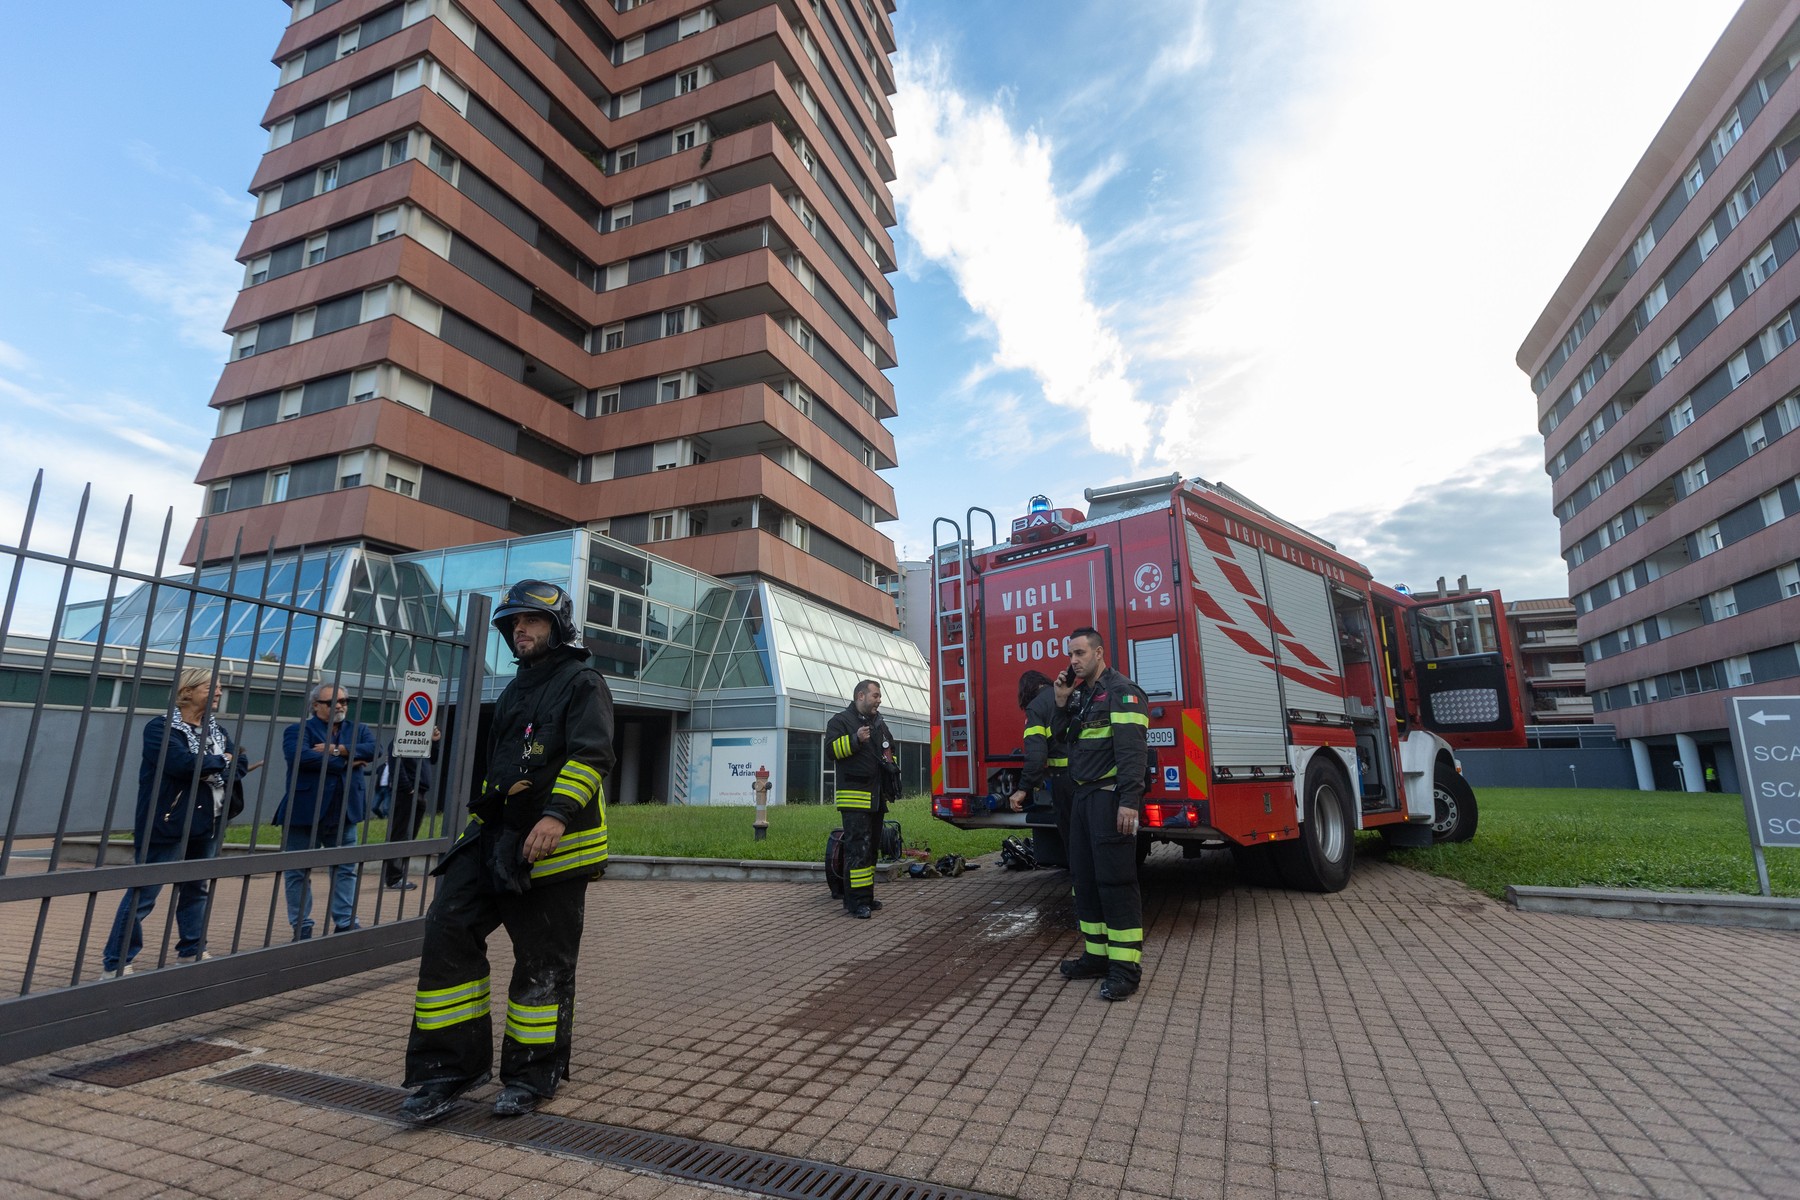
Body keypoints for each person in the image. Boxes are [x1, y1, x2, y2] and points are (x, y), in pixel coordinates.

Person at [401, 579, 614, 1124]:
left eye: (531, 621)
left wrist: (554, 816)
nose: (519, 629)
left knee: (542, 962)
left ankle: (529, 1076)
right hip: (495, 837)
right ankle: (448, 1069)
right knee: (448, 925)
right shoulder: (516, 687)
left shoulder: (582, 681)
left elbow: (591, 756)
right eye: (512, 624)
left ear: (559, 627)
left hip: (553, 846)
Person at [102, 667, 250, 975]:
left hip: (209, 820)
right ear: (188, 692)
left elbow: (242, 761)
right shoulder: (161, 728)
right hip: (169, 820)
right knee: (146, 891)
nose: (220, 693)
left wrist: (219, 763)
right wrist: (223, 761)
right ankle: (116, 962)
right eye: (213, 687)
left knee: (196, 886)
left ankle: (192, 950)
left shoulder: (216, 730)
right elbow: (181, 764)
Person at [1051, 627, 1150, 1001]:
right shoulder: (1082, 696)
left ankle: (1125, 969)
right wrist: (1061, 702)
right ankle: (1096, 956)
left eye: (1079, 653)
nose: (1073, 661)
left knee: (1116, 883)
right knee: (1086, 880)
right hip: (1083, 800)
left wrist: (1129, 801)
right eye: (1070, 654)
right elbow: (1063, 740)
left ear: (1099, 652)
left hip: (1110, 801)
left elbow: (1132, 753)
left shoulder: (1123, 693)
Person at [277, 683, 378, 940]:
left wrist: (336, 750)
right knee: (297, 870)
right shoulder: (298, 730)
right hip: (304, 811)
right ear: (316, 706)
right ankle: (302, 925)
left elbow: (373, 750)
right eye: (333, 702)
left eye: (344, 700)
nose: (340, 705)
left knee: (345, 868)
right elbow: (299, 756)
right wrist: (347, 762)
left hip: (345, 810)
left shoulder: (359, 729)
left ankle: (345, 921)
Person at [826, 679, 897, 919]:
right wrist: (855, 740)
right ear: (860, 696)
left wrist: (892, 771)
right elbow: (831, 751)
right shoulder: (840, 721)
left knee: (870, 850)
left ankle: (866, 896)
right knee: (857, 851)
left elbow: (889, 752)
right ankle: (855, 903)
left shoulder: (879, 724)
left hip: (876, 799)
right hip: (855, 798)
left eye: (879, 696)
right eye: (875, 696)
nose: (879, 700)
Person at [1008, 669, 1073, 857]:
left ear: (1027, 690)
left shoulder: (1036, 707)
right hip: (1090, 776)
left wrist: (1023, 788)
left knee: (1073, 839)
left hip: (1065, 781)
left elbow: (1036, 754)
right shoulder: (1069, 695)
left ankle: (1081, 885)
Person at [382, 726, 440, 891]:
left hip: (419, 791)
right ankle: (394, 878)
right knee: (400, 834)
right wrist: (408, 788)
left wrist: (435, 743)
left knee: (409, 835)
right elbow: (396, 765)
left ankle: (399, 875)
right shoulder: (400, 740)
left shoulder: (421, 742)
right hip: (407, 793)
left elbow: (433, 759)